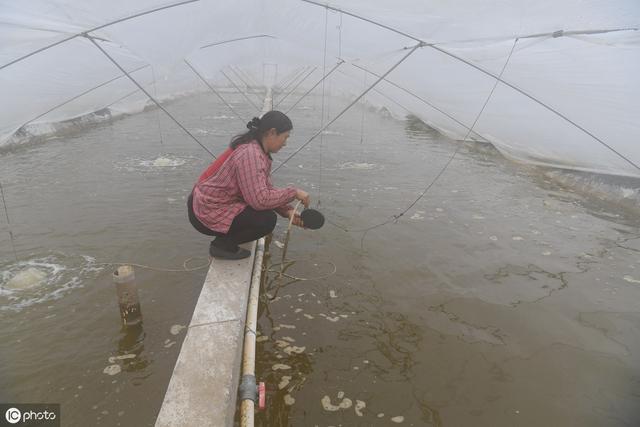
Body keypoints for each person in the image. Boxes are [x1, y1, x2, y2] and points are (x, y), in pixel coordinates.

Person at [188, 110, 309, 260]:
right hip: (206, 209)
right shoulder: (251, 154)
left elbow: (264, 189)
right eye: (285, 137)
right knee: (266, 220)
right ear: (272, 133)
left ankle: (224, 242)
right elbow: (260, 200)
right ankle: (222, 245)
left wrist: (287, 211)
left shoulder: (257, 149)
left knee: (261, 212)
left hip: (207, 203)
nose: (285, 143)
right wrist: (294, 192)